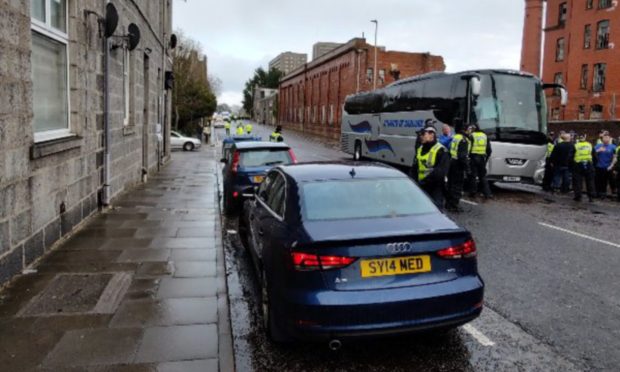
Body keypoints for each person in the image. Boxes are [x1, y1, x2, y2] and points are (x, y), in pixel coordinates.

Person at [410, 127, 449, 209]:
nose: (421, 136)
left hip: (435, 188)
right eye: (420, 134)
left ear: (432, 135)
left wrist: (423, 183)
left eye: (423, 134)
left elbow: (440, 172)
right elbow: (414, 168)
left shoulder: (441, 150)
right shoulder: (420, 149)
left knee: (436, 211)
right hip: (421, 187)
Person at [446, 119, 471, 212]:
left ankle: (448, 203)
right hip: (458, 165)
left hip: (452, 162)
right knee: (457, 186)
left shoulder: (456, 136)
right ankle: (454, 205)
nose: (470, 131)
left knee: (450, 184)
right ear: (465, 129)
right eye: (469, 129)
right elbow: (462, 156)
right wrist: (467, 169)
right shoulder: (464, 140)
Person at [468, 123, 492, 198]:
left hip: (473, 157)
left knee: (473, 176)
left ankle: (473, 192)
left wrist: (468, 157)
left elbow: (469, 148)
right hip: (482, 158)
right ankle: (487, 193)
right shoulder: (484, 136)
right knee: (482, 176)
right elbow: (489, 150)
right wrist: (486, 159)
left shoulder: (472, 135)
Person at [572, 134, 596, 202]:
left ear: (579, 138)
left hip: (578, 165)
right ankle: (591, 197)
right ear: (585, 138)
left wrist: (571, 165)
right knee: (590, 181)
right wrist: (593, 164)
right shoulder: (589, 145)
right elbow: (594, 155)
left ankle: (578, 196)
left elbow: (570, 156)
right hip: (589, 164)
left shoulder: (576, 145)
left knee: (578, 181)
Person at [594, 132, 617, 199]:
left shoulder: (613, 147)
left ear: (609, 139)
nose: (606, 139)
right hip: (599, 167)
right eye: (604, 137)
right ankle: (601, 193)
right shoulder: (598, 146)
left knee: (611, 181)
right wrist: (598, 150)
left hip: (609, 167)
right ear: (602, 139)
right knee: (600, 181)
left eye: (607, 138)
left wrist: (612, 166)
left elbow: (615, 157)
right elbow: (592, 154)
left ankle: (613, 194)